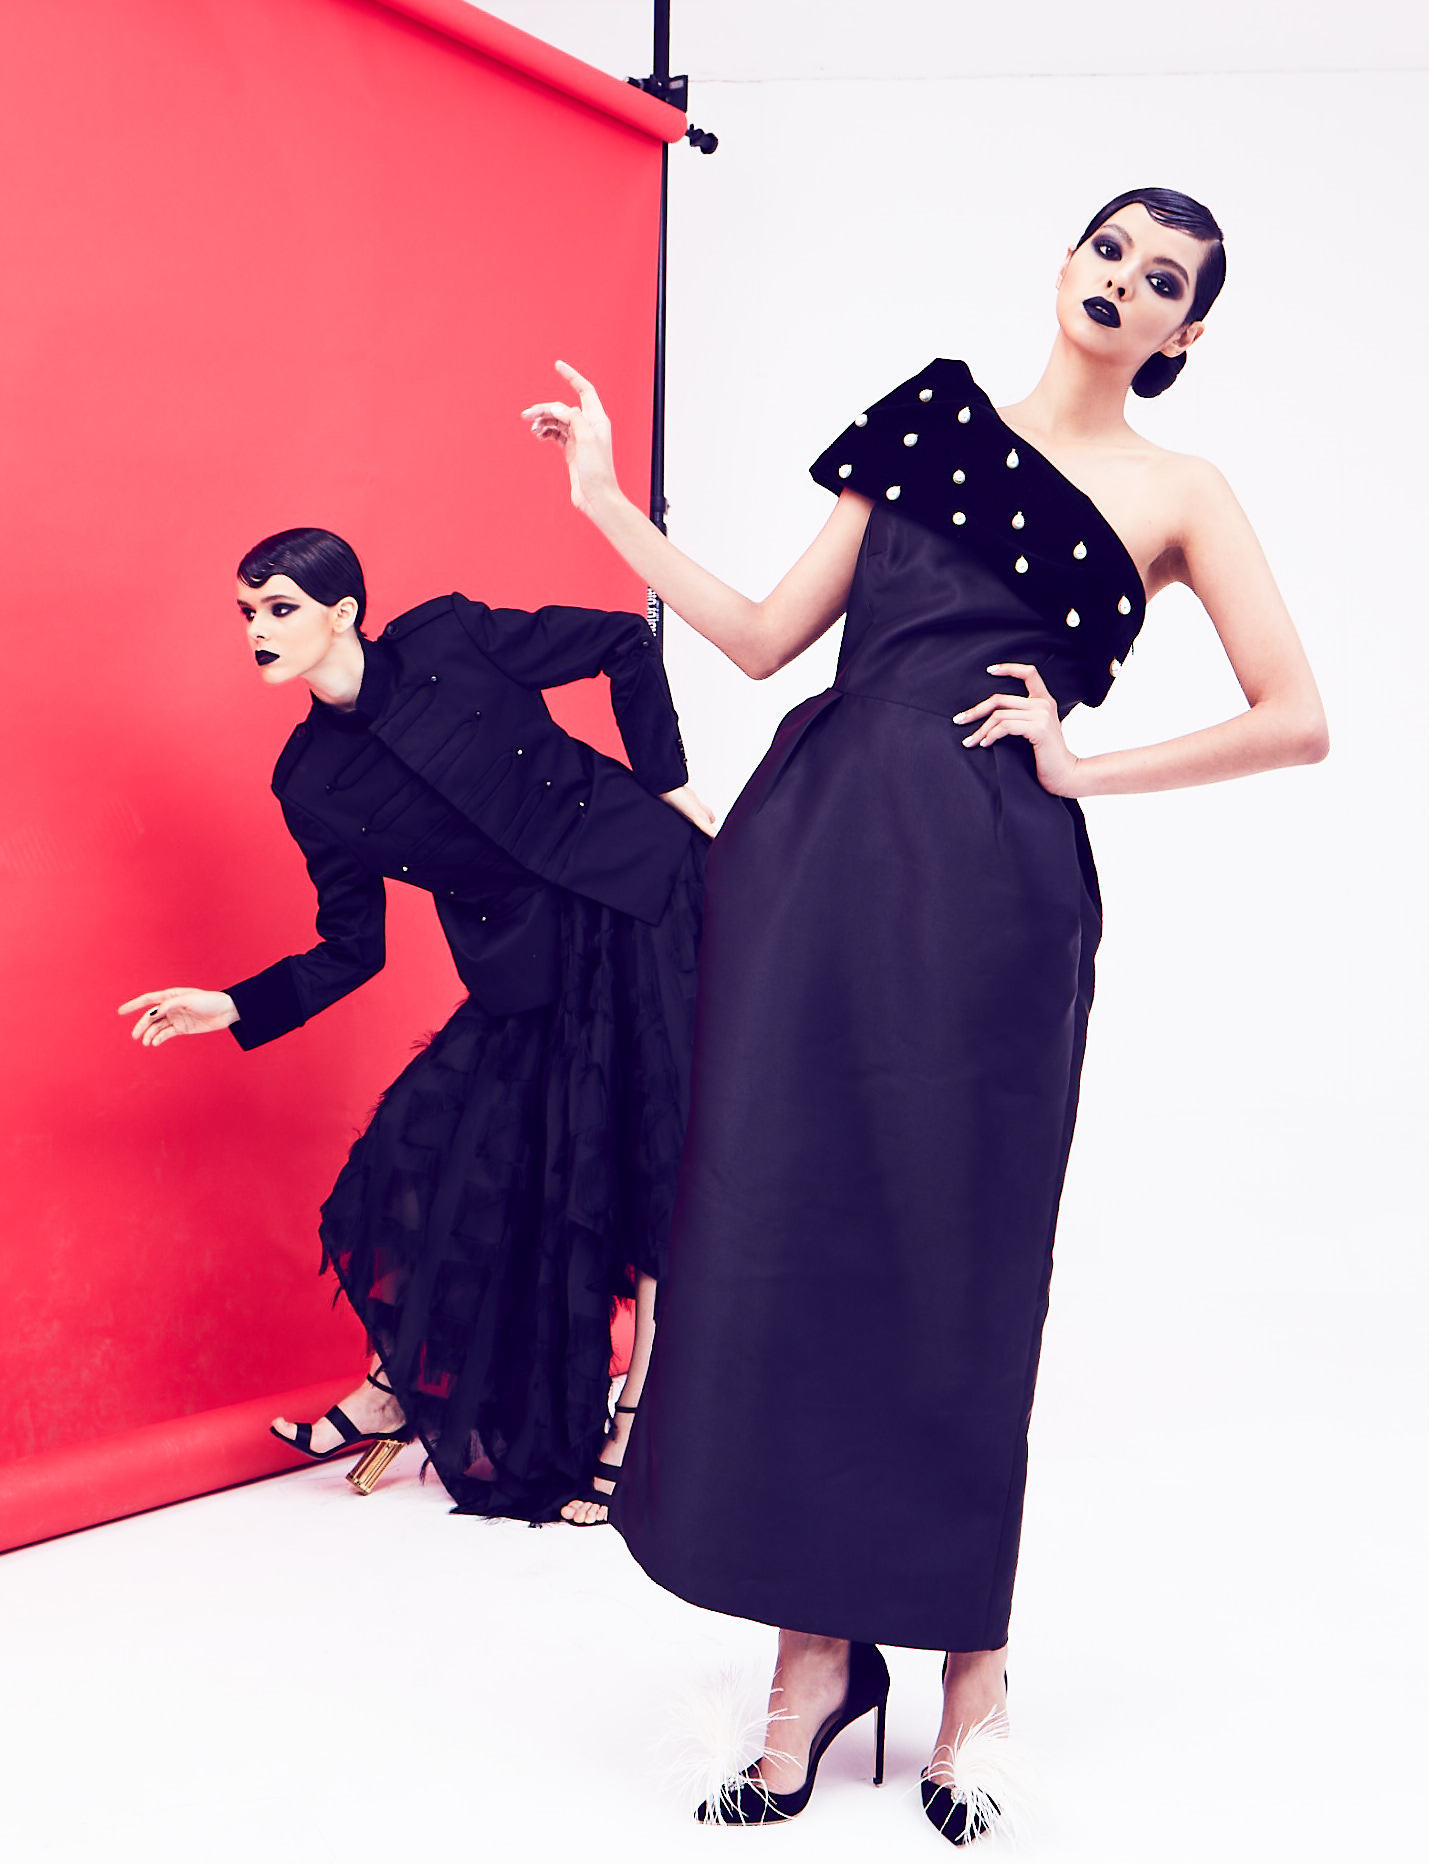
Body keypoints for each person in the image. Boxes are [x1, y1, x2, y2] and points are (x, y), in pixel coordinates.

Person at [522, 188, 1328, 1837]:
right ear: (1065, 262)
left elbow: (1295, 714)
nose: (1122, 282)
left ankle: (972, 1672)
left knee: (962, 1255)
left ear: (1181, 333)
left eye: (1161, 281)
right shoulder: (929, 414)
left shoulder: (1182, 491)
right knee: (777, 1231)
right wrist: (601, 499)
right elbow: (763, 639)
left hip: (989, 888)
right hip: (806, 861)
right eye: (1109, 250)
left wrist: (1082, 766)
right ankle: (810, 1660)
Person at [119, 528, 712, 1526]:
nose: (258, 630)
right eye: (248, 613)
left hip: (638, 895)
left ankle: (635, 1417)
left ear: (343, 612)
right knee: (420, 1159)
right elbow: (352, 945)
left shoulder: (450, 637)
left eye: (279, 609)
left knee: (648, 1158)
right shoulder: (308, 779)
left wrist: (665, 782)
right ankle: (395, 1385)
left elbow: (622, 638)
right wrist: (234, 1004)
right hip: (527, 963)